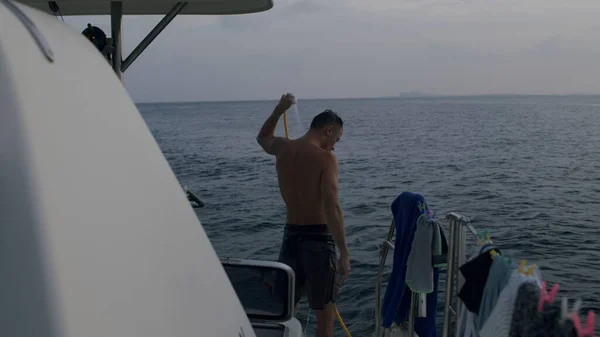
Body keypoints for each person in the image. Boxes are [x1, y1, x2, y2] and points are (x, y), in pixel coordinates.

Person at [256, 93, 350, 337]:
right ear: (329, 130)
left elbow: (262, 137)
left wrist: (279, 109)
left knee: (287, 311)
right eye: (336, 139)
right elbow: (332, 206)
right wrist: (344, 252)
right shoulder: (326, 159)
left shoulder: (283, 148)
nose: (334, 146)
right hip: (318, 240)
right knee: (325, 317)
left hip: (290, 238)